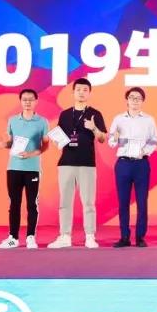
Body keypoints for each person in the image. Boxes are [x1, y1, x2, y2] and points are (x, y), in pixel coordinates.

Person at [49, 78, 107, 249]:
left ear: (89, 93)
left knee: (88, 202)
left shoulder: (95, 114)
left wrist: (93, 128)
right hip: (66, 163)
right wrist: (56, 140)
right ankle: (65, 236)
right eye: (78, 89)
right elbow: (59, 135)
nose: (81, 92)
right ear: (73, 92)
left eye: (85, 90)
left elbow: (102, 138)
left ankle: (90, 236)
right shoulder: (65, 114)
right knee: (65, 202)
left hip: (87, 163)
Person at [0, 88, 49, 249]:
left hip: (32, 168)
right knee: (14, 203)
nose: (27, 102)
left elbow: (45, 145)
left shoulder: (42, 122)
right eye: (24, 99)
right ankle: (13, 237)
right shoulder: (12, 120)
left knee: (32, 204)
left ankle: (30, 237)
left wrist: (31, 154)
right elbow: (11, 144)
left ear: (36, 101)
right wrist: (4, 144)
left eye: (30, 99)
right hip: (14, 167)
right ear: (20, 101)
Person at [108, 86, 157, 248]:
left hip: (141, 164)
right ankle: (124, 236)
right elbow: (111, 142)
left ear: (142, 101)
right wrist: (115, 138)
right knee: (123, 202)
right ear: (127, 100)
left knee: (142, 201)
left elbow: (154, 140)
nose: (135, 101)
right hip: (123, 163)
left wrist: (145, 151)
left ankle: (140, 237)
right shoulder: (118, 119)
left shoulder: (149, 120)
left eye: (138, 98)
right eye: (132, 97)